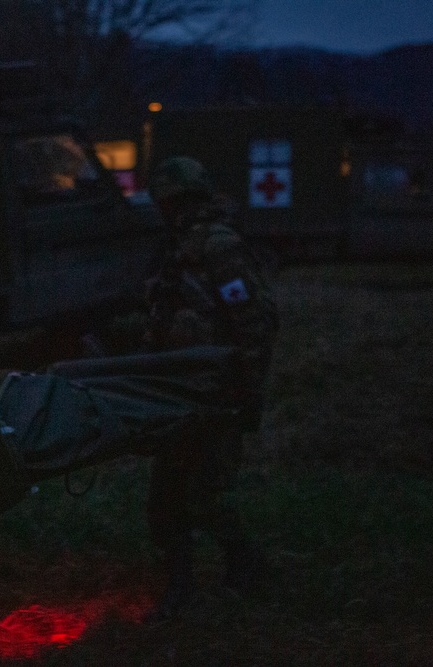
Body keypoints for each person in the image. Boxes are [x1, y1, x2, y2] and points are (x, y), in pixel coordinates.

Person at [142, 156, 279, 621]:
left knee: (204, 497)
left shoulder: (219, 248)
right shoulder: (180, 248)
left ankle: (243, 567)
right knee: (168, 497)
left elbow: (253, 322)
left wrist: (245, 391)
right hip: (181, 391)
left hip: (215, 394)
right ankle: (184, 587)